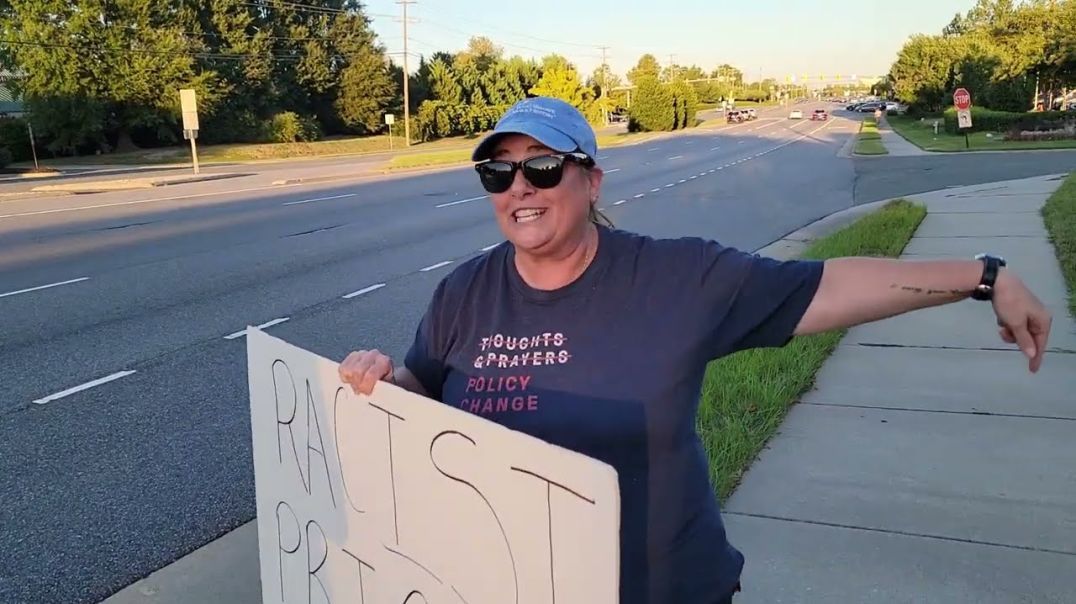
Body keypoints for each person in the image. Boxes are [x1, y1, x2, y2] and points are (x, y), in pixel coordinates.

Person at [339, 96, 1052, 603]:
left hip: (660, 586)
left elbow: (828, 286)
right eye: (499, 172)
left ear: (591, 181)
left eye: (543, 167)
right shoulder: (465, 291)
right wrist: (379, 384)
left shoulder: (677, 278)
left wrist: (982, 276)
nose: (520, 187)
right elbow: (422, 387)